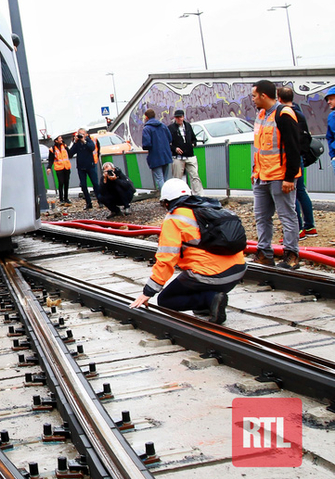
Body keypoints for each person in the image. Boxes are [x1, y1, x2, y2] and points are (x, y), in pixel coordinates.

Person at [129, 179, 247, 324]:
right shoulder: (210, 208)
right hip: (237, 272)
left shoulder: (174, 218)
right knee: (191, 276)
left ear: (166, 202)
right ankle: (211, 304)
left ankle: (210, 299)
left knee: (167, 300)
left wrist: (148, 292)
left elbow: (166, 258)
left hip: (212, 277)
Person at [250, 80, 301, 269]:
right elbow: (260, 148)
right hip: (262, 176)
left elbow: (294, 148)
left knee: (287, 216)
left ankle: (291, 255)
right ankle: (264, 253)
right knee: (261, 216)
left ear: (263, 95)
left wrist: (289, 178)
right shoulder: (261, 115)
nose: (253, 99)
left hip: (280, 177)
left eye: (255, 95)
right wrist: (256, 171)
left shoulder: (284, 114)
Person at [277, 87, 316, 240]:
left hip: (292, 157)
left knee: (292, 193)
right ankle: (310, 226)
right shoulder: (299, 112)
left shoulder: (286, 114)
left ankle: (298, 229)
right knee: (301, 191)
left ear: (279, 98)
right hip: (299, 155)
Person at [168, 109, 203, 196]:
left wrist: (193, 143)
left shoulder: (188, 126)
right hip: (178, 158)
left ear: (183, 117)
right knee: (177, 179)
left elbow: (193, 138)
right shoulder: (171, 128)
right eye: (177, 117)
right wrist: (175, 148)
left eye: (180, 117)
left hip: (190, 156)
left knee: (195, 176)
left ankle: (198, 195)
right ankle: (177, 196)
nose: (179, 119)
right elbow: (167, 143)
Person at [68, 128, 100, 210]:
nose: (80, 136)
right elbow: (70, 153)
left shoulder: (89, 140)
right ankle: (88, 203)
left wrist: (84, 141)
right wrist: (75, 143)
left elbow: (92, 148)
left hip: (90, 166)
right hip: (81, 167)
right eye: (79, 134)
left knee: (95, 184)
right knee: (83, 186)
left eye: (82, 134)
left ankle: (100, 201)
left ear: (86, 134)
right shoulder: (77, 143)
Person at [141, 109, 172, 190]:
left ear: (146, 117)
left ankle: (164, 197)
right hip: (166, 155)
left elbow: (146, 144)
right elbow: (170, 138)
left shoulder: (147, 129)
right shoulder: (163, 126)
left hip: (155, 156)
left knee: (159, 178)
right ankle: (168, 195)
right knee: (165, 178)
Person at [47, 135, 72, 205]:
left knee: (66, 183)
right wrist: (49, 167)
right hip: (59, 168)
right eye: (59, 138)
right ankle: (61, 198)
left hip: (66, 167)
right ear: (56, 140)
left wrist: (67, 147)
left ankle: (66, 198)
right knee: (61, 183)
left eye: (61, 138)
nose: (61, 139)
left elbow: (70, 154)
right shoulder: (52, 149)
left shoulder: (64, 146)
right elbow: (51, 160)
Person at [326, 88, 335, 177]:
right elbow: (329, 137)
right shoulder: (331, 117)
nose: (328, 102)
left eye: (331, 99)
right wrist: (333, 156)